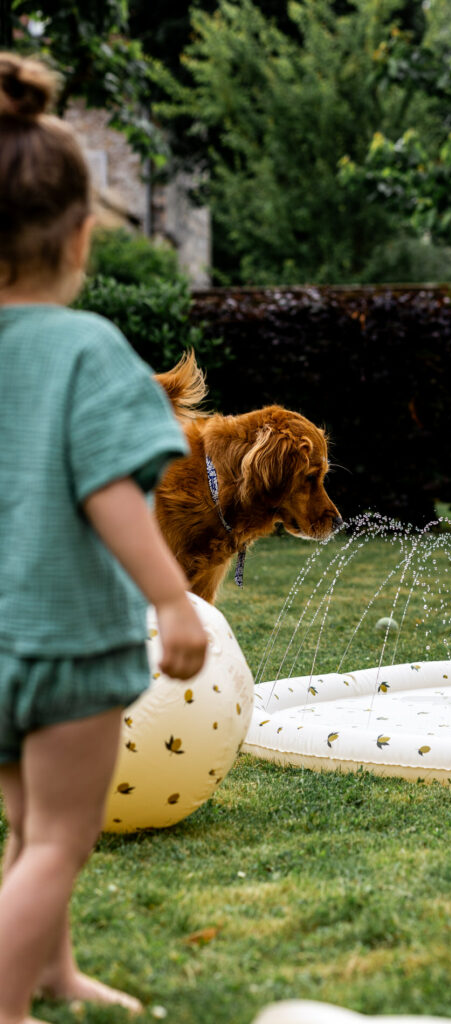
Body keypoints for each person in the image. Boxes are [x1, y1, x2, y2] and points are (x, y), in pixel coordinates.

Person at [0, 52, 208, 1024]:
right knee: (59, 842)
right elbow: (112, 493)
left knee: (29, 826)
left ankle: (50, 971)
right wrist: (171, 598)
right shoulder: (86, 351)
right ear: (84, 235)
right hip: (66, 642)